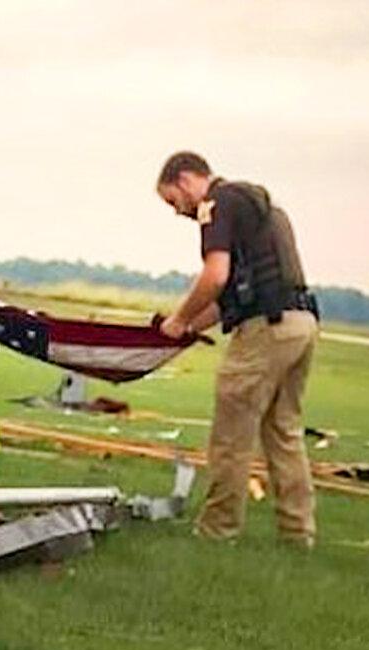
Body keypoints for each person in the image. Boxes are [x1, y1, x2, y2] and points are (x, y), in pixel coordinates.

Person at [155, 151, 320, 546]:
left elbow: (215, 276)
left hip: (266, 329)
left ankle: (217, 530)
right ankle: (298, 534)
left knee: (231, 435)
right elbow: (230, 297)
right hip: (301, 323)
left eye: (172, 201)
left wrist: (178, 318)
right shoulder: (259, 206)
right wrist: (187, 328)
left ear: (186, 181)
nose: (178, 212)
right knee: (284, 433)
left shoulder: (218, 204)